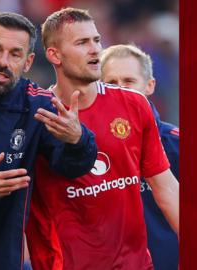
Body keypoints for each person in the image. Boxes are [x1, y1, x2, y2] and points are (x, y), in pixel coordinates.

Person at [26, 8, 179, 270]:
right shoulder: (37, 115)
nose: (95, 49)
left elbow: (166, 189)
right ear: (54, 54)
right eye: (82, 43)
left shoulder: (134, 105)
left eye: (96, 40)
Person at [0, 12, 97, 270]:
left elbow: (71, 167)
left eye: (15, 54)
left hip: (2, 257)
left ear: (28, 62)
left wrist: (78, 140)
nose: (3, 62)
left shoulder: (38, 106)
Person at [100, 44, 180, 270]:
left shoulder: (177, 145)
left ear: (149, 86)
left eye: (128, 82)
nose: (120, 90)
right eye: (111, 83)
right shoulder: (87, 148)